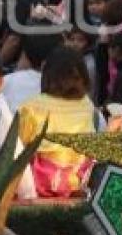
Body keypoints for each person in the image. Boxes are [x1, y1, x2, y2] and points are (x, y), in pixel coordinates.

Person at [16, 46, 99, 199]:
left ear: (48, 74)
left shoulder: (30, 107)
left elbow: (17, 150)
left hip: (39, 188)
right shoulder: (87, 104)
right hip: (77, 186)